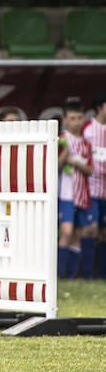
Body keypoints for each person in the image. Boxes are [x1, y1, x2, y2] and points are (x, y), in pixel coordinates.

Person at [58, 100, 93, 279]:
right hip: (65, 194)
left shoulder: (86, 144)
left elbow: (90, 169)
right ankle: (57, 275)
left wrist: (76, 163)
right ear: (65, 120)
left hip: (82, 194)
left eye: (79, 118)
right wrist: (65, 153)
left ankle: (69, 277)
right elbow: (54, 166)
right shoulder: (60, 139)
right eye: (72, 118)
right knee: (66, 232)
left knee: (78, 235)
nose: (76, 122)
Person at [82, 93, 106, 278]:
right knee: (90, 230)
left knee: (104, 232)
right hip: (91, 188)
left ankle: (101, 276)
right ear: (100, 107)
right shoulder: (88, 129)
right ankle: (87, 274)